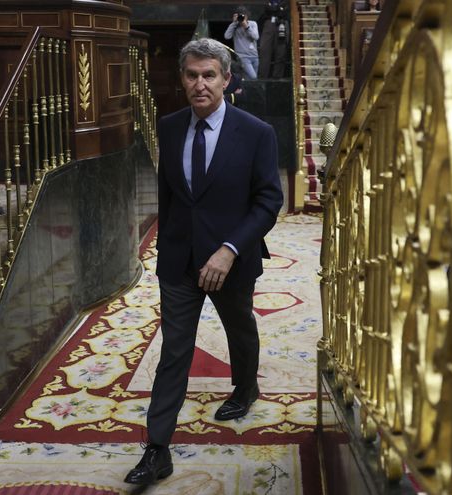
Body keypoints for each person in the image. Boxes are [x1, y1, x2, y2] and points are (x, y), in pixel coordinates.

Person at [124, 37, 283, 486]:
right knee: (174, 351)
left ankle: (246, 387)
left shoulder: (256, 132)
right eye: (192, 75)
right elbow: (171, 196)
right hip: (179, 261)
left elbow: (269, 201)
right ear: (182, 79)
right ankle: (157, 449)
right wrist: (167, 248)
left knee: (239, 328)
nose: (200, 84)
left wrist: (229, 250)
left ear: (226, 80)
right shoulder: (170, 126)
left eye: (209, 75)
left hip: (231, 259)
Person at [224, 7, 260, 79]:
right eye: (240, 16)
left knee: (250, 80)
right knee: (253, 77)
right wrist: (234, 23)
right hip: (243, 57)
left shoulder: (252, 24)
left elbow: (256, 37)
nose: (242, 18)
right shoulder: (235, 26)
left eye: (243, 16)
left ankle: (246, 90)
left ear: (247, 16)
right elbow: (227, 36)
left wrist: (246, 26)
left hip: (255, 56)